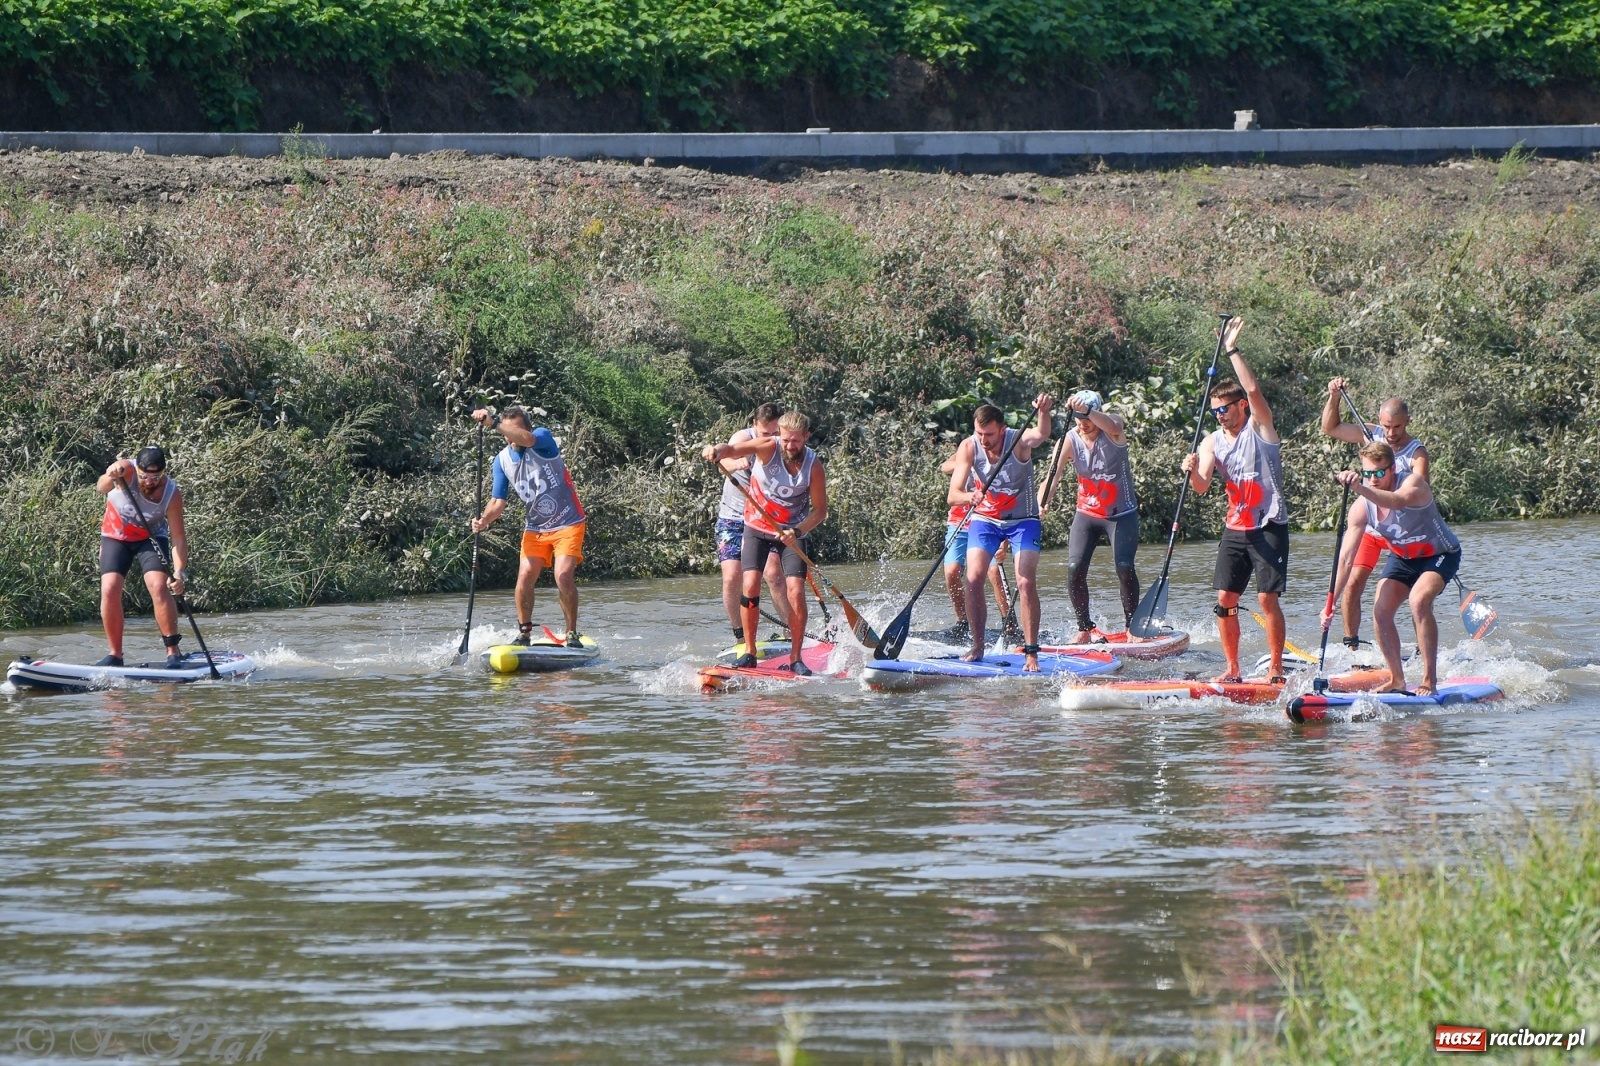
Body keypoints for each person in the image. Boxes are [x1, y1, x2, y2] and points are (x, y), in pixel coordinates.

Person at [1179, 317, 1288, 682]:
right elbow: (1200, 486)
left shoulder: (1260, 427)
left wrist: (1231, 350)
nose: (1220, 416)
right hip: (1236, 527)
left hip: (1268, 523)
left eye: (1225, 409)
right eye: (1215, 411)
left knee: (1265, 600)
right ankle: (1233, 668)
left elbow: (1254, 390)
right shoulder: (1212, 440)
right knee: (1225, 600)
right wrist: (1192, 469)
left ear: (1241, 406)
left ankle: (1275, 667)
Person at [1323, 440, 1461, 694]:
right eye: (1367, 474)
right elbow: (1345, 559)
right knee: (1381, 610)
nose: (1372, 479)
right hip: (1403, 558)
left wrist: (1359, 488)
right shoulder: (1361, 508)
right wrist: (1330, 602)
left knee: (1418, 601)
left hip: (1440, 554)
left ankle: (1429, 680)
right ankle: (1397, 679)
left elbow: (1396, 502)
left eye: (1379, 473)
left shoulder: (1412, 484)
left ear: (1392, 470)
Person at [701, 412, 829, 674]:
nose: (789, 446)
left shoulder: (814, 466)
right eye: (785, 440)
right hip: (757, 529)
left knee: (795, 591)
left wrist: (796, 530)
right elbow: (732, 449)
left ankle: (796, 658)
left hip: (791, 534)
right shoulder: (768, 447)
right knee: (749, 584)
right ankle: (749, 651)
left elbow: (820, 512)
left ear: (806, 437)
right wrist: (715, 450)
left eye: (795, 441)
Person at [1319, 378, 1430, 650]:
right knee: (1353, 582)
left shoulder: (1417, 454)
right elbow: (1330, 428)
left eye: (1397, 427)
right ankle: (1351, 645)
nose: (1390, 434)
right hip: (1370, 526)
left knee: (1416, 594)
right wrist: (1334, 396)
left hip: (1401, 532)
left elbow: (1418, 494)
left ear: (1408, 422)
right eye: (1386, 426)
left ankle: (1421, 648)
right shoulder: (1371, 436)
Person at [947, 397, 1054, 670]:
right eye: (979, 433)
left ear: (1002, 429)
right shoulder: (969, 446)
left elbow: (1042, 434)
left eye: (990, 434)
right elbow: (953, 494)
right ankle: (977, 646)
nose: (984, 440)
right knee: (972, 578)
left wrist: (1043, 411)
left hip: (1023, 520)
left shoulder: (1017, 440)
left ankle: (1031, 653)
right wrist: (969, 495)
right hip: (986, 520)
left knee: (1025, 582)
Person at [470, 407, 587, 647]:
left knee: (563, 577)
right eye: (508, 429)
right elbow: (498, 501)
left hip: (568, 521)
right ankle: (524, 634)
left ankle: (571, 632)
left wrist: (492, 423)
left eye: (517, 429)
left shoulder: (541, 438)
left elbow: (528, 438)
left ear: (526, 428)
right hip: (535, 528)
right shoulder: (501, 461)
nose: (511, 434)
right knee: (524, 577)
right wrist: (484, 520)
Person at [95, 446, 190, 668]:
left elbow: (178, 538)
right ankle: (115, 656)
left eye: (156, 477)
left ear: (164, 472)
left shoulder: (171, 493)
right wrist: (110, 474)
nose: (149, 481)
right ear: (136, 469)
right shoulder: (126, 470)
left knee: (159, 585)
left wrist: (179, 572)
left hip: (151, 537)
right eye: (144, 476)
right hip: (115, 537)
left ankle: (172, 653)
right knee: (109, 588)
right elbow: (101, 487)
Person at [1058, 389, 1141, 642]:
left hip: (1121, 514)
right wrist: (1041, 505)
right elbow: (1053, 475)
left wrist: (1088, 412)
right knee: (1075, 568)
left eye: (1087, 420)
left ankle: (1132, 627)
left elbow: (1113, 423)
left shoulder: (1112, 428)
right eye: (1079, 420)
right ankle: (1084, 628)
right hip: (1087, 514)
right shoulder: (1070, 439)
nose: (1084, 425)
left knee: (1124, 567)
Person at [714, 404, 790, 648]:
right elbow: (721, 460)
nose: (771, 439)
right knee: (732, 578)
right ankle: (741, 637)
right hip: (733, 519)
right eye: (765, 434)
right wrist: (739, 464)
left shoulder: (783, 447)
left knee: (773, 574)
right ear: (755, 426)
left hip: (763, 521)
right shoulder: (743, 438)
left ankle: (791, 633)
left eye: (775, 433)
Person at [938, 449, 1011, 645]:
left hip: (988, 523)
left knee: (994, 571)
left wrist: (1004, 542)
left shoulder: (1000, 459)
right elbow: (944, 466)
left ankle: (1009, 624)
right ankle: (963, 622)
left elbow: (1007, 503)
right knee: (951, 571)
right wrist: (966, 464)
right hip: (958, 523)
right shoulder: (968, 450)